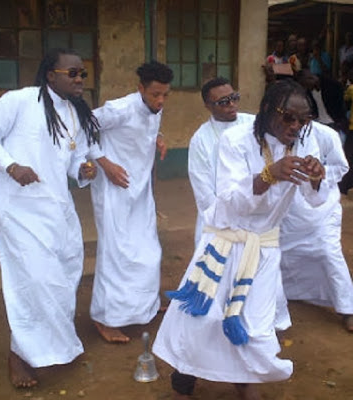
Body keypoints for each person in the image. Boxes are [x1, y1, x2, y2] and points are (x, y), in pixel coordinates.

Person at [153, 79, 328, 400]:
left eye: (304, 120)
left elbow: (314, 199)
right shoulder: (235, 141)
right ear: (266, 111)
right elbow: (231, 200)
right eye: (288, 117)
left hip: (264, 248)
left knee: (255, 323)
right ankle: (185, 376)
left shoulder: (303, 143)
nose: (296, 126)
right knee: (204, 319)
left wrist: (317, 178)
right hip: (227, 241)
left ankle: (244, 384)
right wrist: (269, 174)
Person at [0, 48, 101, 388]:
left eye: (83, 74)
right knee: (33, 283)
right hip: (19, 212)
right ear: (50, 75)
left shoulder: (74, 115)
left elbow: (73, 162)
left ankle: (53, 346)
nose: (79, 79)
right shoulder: (18, 101)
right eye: (72, 73)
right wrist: (11, 166)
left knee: (64, 278)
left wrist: (84, 169)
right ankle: (19, 355)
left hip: (57, 211)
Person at [89, 60, 173, 343]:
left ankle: (144, 306)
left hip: (140, 188)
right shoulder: (119, 108)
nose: (160, 101)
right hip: (113, 190)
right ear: (140, 89)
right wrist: (104, 163)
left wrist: (158, 138)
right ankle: (106, 318)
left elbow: (148, 129)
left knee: (147, 249)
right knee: (117, 254)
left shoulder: (154, 109)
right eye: (155, 95)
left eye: (165, 95)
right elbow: (82, 128)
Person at [279, 120, 353, 332]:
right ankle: (286, 295)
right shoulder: (274, 134)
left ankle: (348, 308)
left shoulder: (326, 135)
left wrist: (319, 173)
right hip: (288, 210)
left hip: (322, 209)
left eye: (301, 116)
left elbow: (341, 167)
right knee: (279, 254)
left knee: (328, 253)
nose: (296, 122)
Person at [188, 77, 254, 247]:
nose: (232, 104)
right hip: (220, 224)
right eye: (224, 102)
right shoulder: (201, 139)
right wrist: (230, 220)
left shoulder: (253, 124)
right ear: (208, 106)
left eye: (234, 98)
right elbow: (204, 193)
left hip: (254, 218)